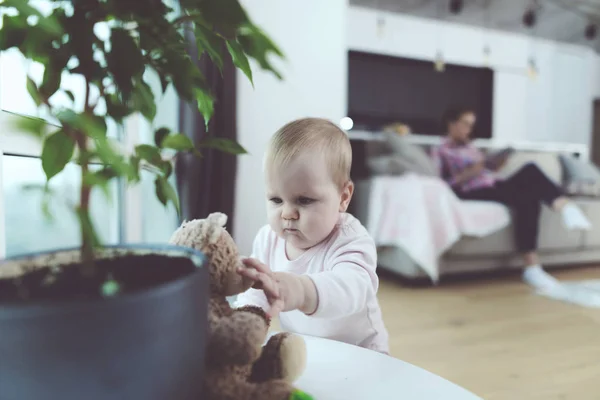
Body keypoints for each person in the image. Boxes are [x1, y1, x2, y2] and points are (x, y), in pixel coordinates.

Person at [234, 117, 390, 355]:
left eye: (304, 200)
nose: (287, 213)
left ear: (343, 197)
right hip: (306, 349)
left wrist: (301, 290)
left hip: (360, 352)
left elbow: (353, 288)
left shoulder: (350, 239)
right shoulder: (268, 239)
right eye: (276, 199)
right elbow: (256, 291)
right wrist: (245, 321)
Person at [431, 106, 592, 290]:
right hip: (471, 191)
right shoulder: (440, 149)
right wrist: (471, 172)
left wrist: (495, 165)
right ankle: (535, 262)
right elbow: (440, 185)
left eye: (471, 125)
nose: (468, 129)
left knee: (530, 175)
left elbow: (486, 170)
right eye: (465, 124)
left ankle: (563, 209)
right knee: (528, 195)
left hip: (492, 184)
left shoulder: (471, 147)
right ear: (451, 123)